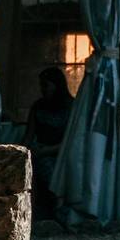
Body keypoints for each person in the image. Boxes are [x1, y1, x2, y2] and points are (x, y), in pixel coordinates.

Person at [22, 67, 73, 220]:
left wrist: (48, 151)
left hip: (62, 152)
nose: (43, 90)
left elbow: (71, 139)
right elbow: (28, 136)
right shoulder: (38, 106)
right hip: (40, 150)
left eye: (46, 86)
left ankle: (58, 208)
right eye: (41, 86)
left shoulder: (70, 107)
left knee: (47, 166)